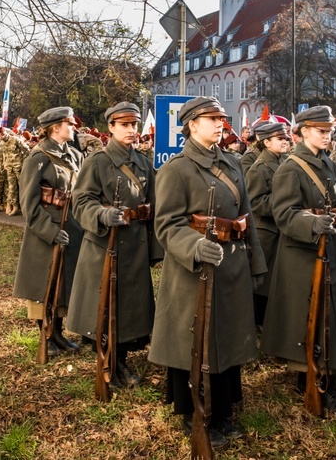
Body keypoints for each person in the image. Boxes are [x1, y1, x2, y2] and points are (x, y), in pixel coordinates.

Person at [149, 96, 267, 448]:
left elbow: (247, 219)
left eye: (221, 118)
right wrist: (194, 246)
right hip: (193, 270)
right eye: (211, 118)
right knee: (194, 338)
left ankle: (224, 408)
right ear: (191, 125)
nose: (220, 123)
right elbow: (166, 225)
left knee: (226, 335)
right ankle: (194, 412)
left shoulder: (232, 165)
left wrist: (255, 262)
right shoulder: (176, 169)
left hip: (231, 264)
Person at [261, 105, 336, 415]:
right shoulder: (290, 167)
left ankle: (327, 370)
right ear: (302, 131)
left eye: (329, 131)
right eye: (321, 131)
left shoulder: (328, 164)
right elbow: (283, 214)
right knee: (309, 317)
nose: (327, 135)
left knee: (330, 315)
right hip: (303, 254)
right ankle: (309, 379)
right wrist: (312, 223)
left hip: (332, 247)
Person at [66, 102, 162, 388]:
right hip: (105, 245)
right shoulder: (98, 161)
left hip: (136, 244)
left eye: (134, 125)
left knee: (130, 307)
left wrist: (155, 250)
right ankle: (110, 362)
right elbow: (81, 201)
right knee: (107, 305)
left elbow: (153, 205)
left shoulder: (144, 162)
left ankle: (121, 358)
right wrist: (102, 214)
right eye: (125, 125)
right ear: (111, 127)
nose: (132, 130)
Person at [12, 107, 84, 357]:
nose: (73, 128)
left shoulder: (74, 155)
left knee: (62, 285)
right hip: (46, 231)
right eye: (70, 124)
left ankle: (58, 334)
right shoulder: (38, 157)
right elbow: (28, 204)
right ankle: (46, 335)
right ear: (56, 128)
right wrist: (49, 231)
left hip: (71, 226)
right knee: (45, 285)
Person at [245, 121, 290, 329]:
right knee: (263, 279)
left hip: (282, 229)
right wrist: (285, 203)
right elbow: (255, 202)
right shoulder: (259, 168)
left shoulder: (284, 162)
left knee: (277, 278)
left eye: (285, 137)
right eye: (280, 138)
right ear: (266, 142)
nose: (285, 141)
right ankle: (257, 321)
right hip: (267, 231)